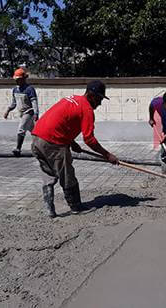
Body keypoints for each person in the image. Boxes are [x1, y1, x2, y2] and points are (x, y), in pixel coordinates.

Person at [31, 80, 119, 218]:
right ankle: (76, 207)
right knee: (67, 175)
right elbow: (89, 139)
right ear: (91, 95)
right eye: (99, 98)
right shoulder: (87, 110)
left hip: (37, 138)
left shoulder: (71, 99)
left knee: (48, 173)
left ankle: (49, 209)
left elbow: (61, 120)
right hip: (53, 143)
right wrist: (107, 155)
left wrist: (71, 142)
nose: (100, 103)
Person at [4, 68, 39, 157]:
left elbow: (34, 102)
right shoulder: (15, 90)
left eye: (19, 79)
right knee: (34, 132)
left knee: (21, 128)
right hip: (22, 113)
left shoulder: (29, 89)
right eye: (16, 80)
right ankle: (40, 147)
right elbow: (14, 103)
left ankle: (18, 148)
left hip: (29, 112)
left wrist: (36, 113)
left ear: (23, 79)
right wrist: (8, 110)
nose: (17, 81)